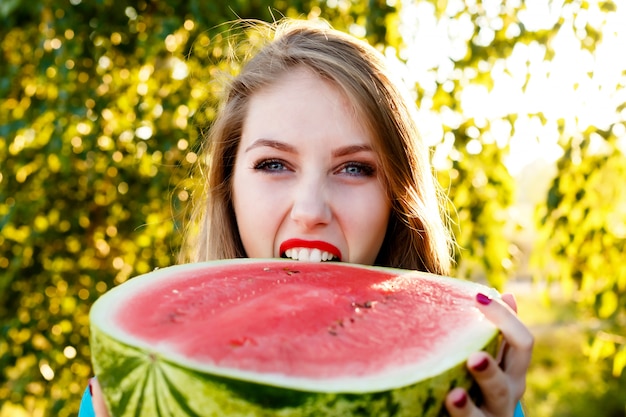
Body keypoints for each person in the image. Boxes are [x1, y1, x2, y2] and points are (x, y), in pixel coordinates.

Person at [80, 18, 533, 417]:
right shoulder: (119, 396)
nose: (311, 211)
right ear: (228, 185)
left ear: (398, 196)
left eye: (354, 168)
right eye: (274, 164)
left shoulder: (471, 397)